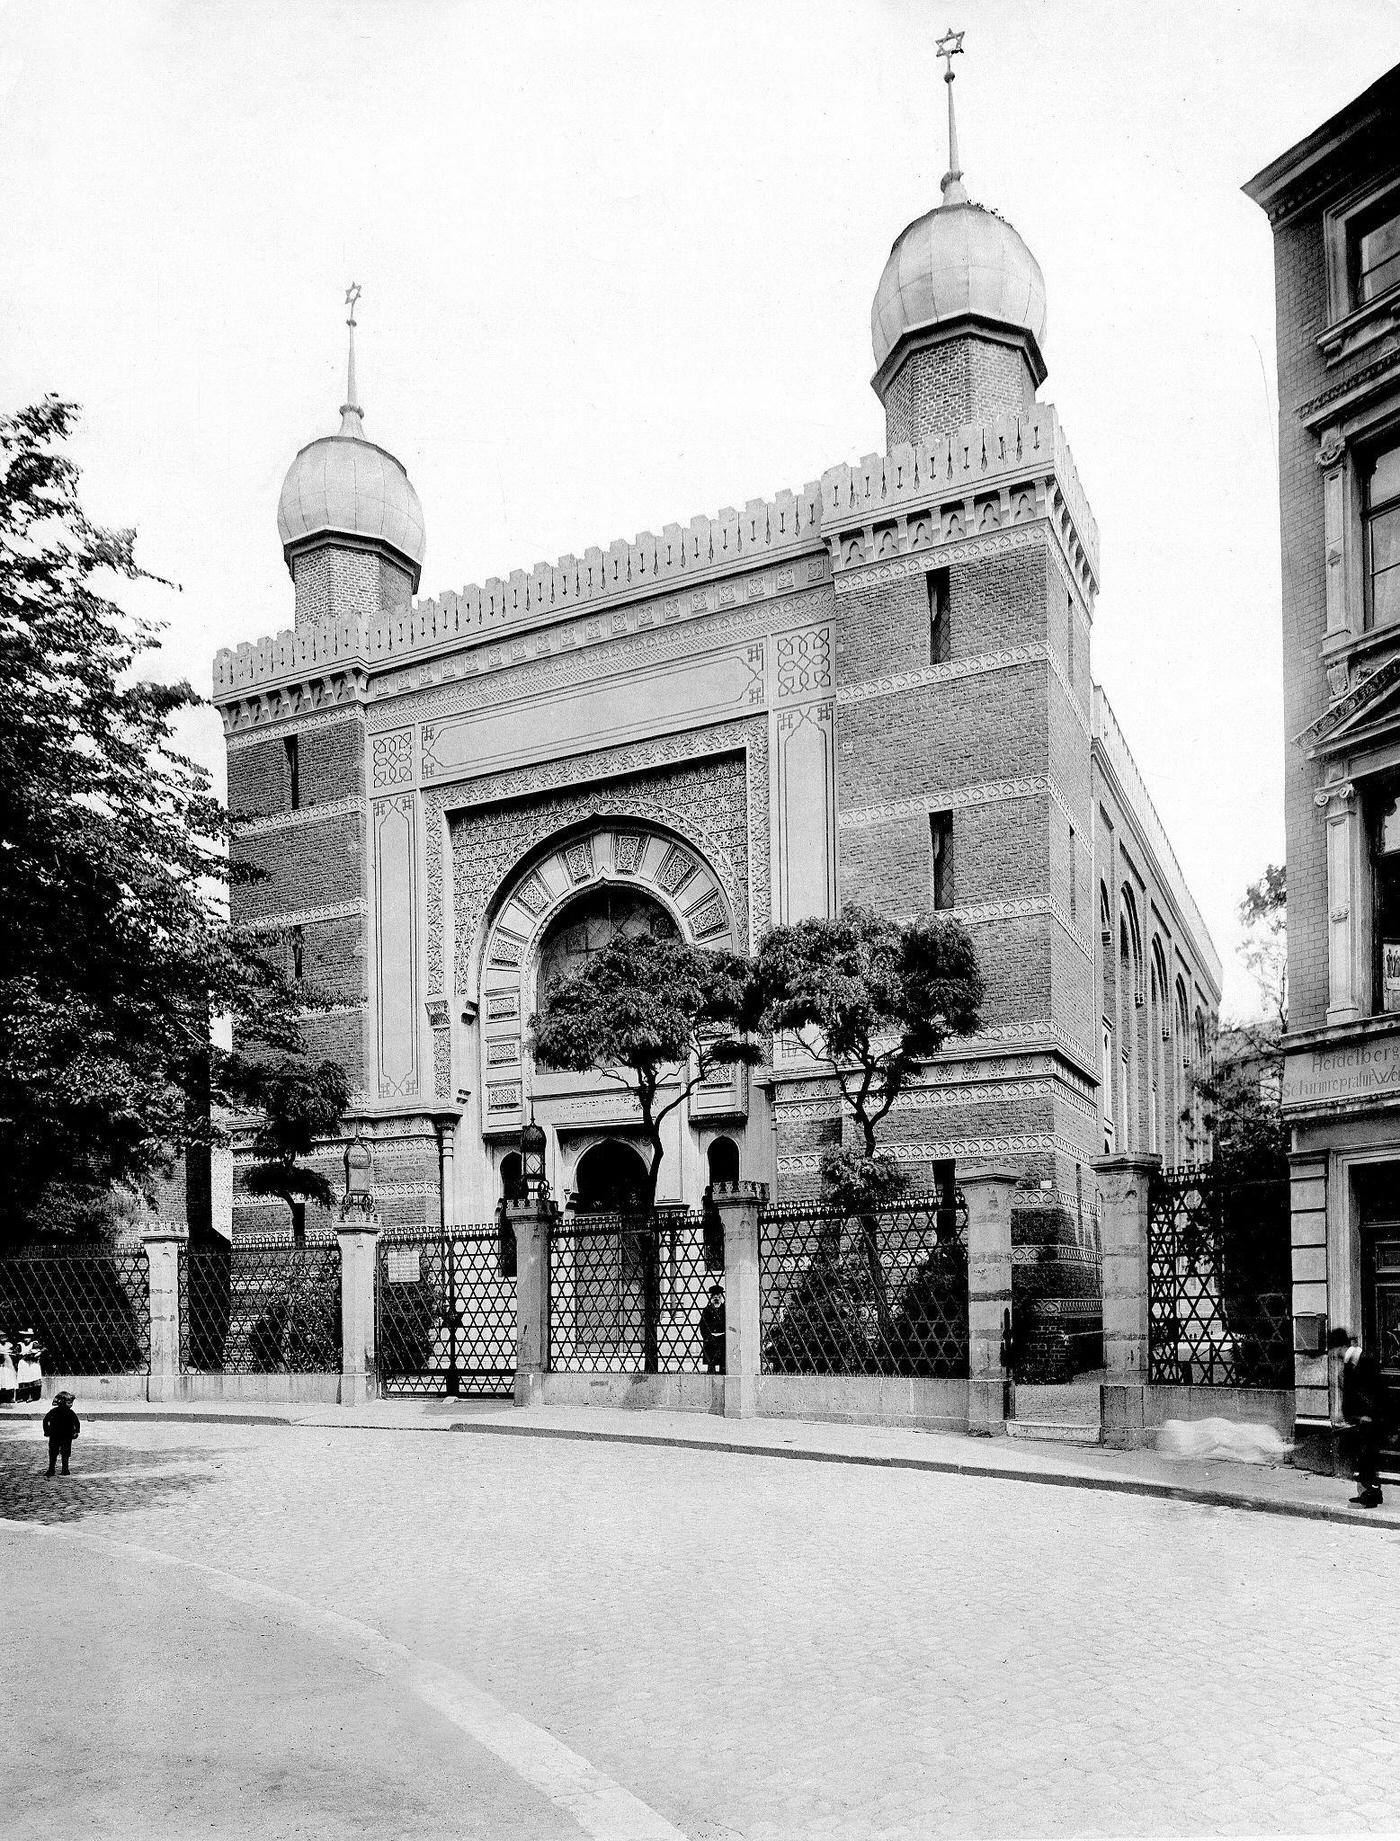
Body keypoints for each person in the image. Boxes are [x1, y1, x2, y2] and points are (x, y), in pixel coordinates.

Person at [1330, 1327, 1389, 1508]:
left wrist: (1369, 1415)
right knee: (1365, 1456)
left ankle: (1370, 1496)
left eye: (1332, 1350)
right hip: (1362, 1419)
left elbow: (1377, 1391)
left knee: (1367, 1455)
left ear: (1338, 1347)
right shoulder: (1350, 1362)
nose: (1332, 1354)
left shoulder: (1365, 1360)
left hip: (1371, 1418)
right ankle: (1370, 1493)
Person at [41, 1391, 80, 1477]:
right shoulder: (55, 1412)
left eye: (71, 1403)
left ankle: (64, 1469)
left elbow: (76, 1423)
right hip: (56, 1435)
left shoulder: (70, 1413)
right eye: (68, 1403)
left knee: (64, 1453)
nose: (70, 1405)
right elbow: (45, 1420)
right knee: (54, 1452)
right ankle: (52, 1469)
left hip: (65, 1436)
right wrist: (47, 1431)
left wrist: (76, 1431)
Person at [699, 1282, 726, 1374]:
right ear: (711, 1298)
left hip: (722, 1338)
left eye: (718, 1296)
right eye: (714, 1297)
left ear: (721, 1298)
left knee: (723, 1363)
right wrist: (707, 1337)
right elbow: (702, 1325)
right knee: (711, 1363)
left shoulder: (725, 1309)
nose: (716, 1299)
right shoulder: (707, 1310)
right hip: (711, 1339)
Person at [15, 1331, 42, 1404]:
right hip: (23, 1363)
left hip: (32, 1363)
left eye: (28, 1337)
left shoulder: (34, 1343)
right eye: (25, 1337)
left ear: (31, 1337)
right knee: (23, 1379)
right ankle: (22, 1397)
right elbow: (16, 1353)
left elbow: (40, 1351)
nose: (26, 1339)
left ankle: (31, 1396)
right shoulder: (20, 1344)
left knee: (31, 1379)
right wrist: (20, 1354)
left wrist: (35, 1354)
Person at [0, 1337, 16, 1406]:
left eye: (4, 1336)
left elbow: (13, 1353)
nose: (2, 1338)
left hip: (8, 1364)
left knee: (9, 1379)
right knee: (2, 1380)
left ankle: (10, 1397)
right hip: (1, 1364)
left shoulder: (9, 1345)